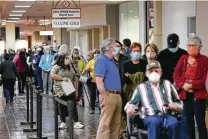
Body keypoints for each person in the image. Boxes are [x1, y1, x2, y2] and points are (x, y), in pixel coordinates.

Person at [125, 61, 183, 139]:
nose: (154, 73)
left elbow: (178, 102)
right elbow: (131, 104)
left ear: (161, 72)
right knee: (154, 122)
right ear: (146, 73)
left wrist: (176, 105)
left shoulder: (167, 84)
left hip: (167, 115)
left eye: (156, 71)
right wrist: (129, 109)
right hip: (150, 116)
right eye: (151, 71)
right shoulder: (141, 87)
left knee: (174, 123)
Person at [173, 36, 208, 139]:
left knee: (200, 122)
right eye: (189, 45)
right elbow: (176, 75)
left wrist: (192, 85)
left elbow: (204, 79)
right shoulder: (183, 58)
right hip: (185, 95)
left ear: (199, 47)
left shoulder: (204, 60)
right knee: (188, 122)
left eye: (194, 45)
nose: (191, 47)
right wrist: (182, 85)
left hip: (199, 96)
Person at [95, 38, 122, 139]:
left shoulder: (111, 61)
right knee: (105, 125)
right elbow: (99, 80)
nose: (117, 47)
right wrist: (104, 95)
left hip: (116, 95)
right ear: (109, 48)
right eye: (115, 45)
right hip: (109, 95)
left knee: (115, 126)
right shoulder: (101, 60)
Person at [51, 54, 84, 129]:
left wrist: (76, 92)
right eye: (66, 58)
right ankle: (63, 122)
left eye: (67, 58)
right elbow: (52, 75)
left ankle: (76, 122)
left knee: (73, 106)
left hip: (69, 88)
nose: (67, 60)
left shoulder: (70, 68)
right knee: (61, 106)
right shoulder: (56, 67)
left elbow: (75, 78)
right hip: (59, 89)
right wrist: (62, 78)